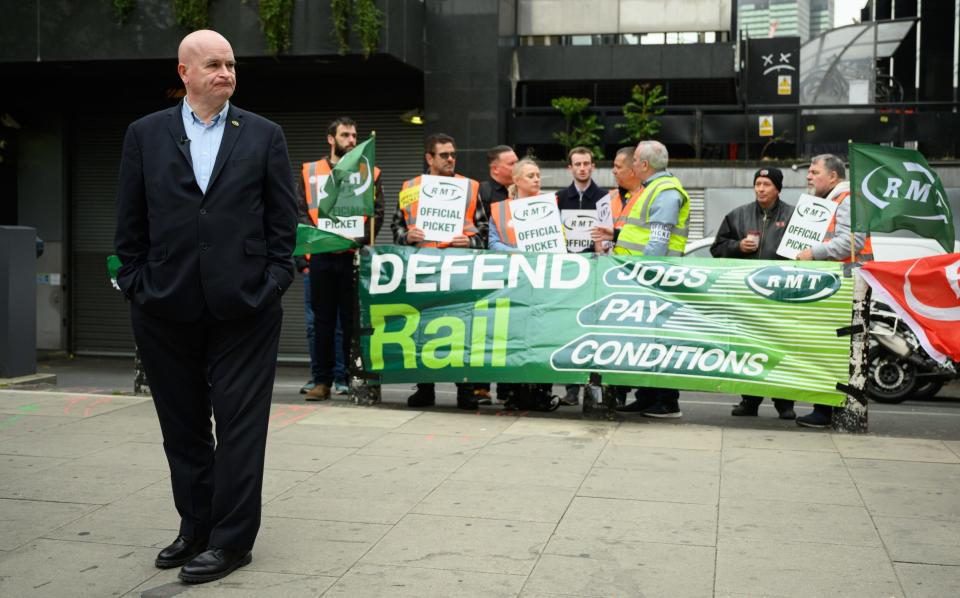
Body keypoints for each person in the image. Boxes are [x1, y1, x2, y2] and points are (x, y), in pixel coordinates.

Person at [114, 30, 297, 583]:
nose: (226, 73)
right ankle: (194, 528)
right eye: (214, 64)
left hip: (245, 307)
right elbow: (129, 222)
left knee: (242, 427)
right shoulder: (144, 135)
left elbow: (281, 222)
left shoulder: (264, 135)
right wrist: (136, 281)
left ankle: (231, 542)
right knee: (183, 425)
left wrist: (272, 281)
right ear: (185, 72)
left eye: (232, 65)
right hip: (164, 307)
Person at [391, 133, 486, 409]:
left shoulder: (469, 187)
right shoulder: (410, 188)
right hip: (423, 270)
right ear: (429, 158)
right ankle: (425, 389)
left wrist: (469, 241)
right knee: (422, 329)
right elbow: (396, 226)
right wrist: (406, 237)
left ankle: (465, 389)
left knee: (462, 330)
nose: (450, 159)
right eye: (444, 154)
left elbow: (485, 232)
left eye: (453, 154)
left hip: (459, 270)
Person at [299, 117, 385, 401]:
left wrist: (355, 240)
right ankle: (321, 382)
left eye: (354, 136)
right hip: (321, 257)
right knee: (322, 323)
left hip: (352, 257)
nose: (351, 140)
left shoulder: (367, 171)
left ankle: (347, 380)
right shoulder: (311, 171)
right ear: (330, 138)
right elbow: (299, 211)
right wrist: (311, 253)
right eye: (345, 135)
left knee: (350, 323)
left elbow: (378, 213)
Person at [709, 167, 796, 420]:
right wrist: (738, 246)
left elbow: (806, 253)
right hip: (747, 296)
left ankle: (785, 402)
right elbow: (717, 248)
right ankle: (749, 400)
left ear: (778, 188)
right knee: (749, 349)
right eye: (758, 183)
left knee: (780, 350)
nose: (761, 188)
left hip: (782, 298)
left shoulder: (793, 217)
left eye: (766, 184)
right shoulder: (738, 215)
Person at [794, 154, 873, 428]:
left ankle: (827, 410)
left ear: (833, 176)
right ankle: (827, 409)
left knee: (835, 350)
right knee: (829, 349)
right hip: (837, 287)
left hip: (846, 288)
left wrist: (812, 253)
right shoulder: (829, 201)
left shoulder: (847, 200)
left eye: (814, 171)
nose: (809, 176)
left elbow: (852, 241)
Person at [613, 140, 691, 418]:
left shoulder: (666, 191)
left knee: (660, 341)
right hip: (642, 278)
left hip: (653, 280)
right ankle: (647, 396)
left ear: (644, 165)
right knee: (647, 341)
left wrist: (642, 275)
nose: (632, 164)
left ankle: (667, 401)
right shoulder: (652, 189)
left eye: (634, 160)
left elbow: (659, 240)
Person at [488, 157, 560, 411]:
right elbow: (493, 244)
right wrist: (520, 253)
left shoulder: (551, 206)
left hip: (542, 283)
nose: (537, 179)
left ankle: (542, 392)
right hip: (515, 282)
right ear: (516, 180)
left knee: (541, 335)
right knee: (514, 336)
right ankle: (512, 392)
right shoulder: (500, 209)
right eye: (531, 175)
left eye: (538, 175)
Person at [556, 147, 607, 406]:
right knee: (568, 331)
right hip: (567, 275)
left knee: (594, 332)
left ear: (593, 166)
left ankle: (594, 387)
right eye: (577, 164)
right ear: (570, 168)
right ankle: (571, 389)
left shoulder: (604, 198)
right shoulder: (558, 198)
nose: (582, 168)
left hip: (595, 274)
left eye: (586, 163)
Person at [473, 145, 517, 404]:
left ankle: (506, 387)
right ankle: (480, 388)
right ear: (495, 168)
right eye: (511, 163)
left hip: (516, 272)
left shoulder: (520, 193)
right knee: (486, 329)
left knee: (509, 330)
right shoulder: (483, 191)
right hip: (488, 271)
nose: (516, 166)